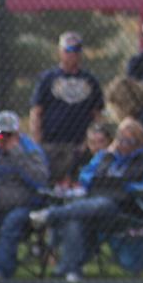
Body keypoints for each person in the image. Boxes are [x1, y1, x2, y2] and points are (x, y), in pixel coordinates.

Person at [28, 117, 143, 282]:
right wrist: (103, 174)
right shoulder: (106, 156)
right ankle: (72, 271)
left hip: (127, 209)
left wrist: (126, 186)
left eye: (130, 141)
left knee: (100, 205)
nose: (124, 144)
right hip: (95, 204)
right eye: (121, 139)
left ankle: (51, 215)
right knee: (75, 218)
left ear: (139, 142)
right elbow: (85, 176)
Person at [29, 32, 103, 183]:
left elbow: (97, 115)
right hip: (51, 143)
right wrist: (37, 142)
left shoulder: (90, 80)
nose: (72, 54)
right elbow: (36, 112)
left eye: (76, 50)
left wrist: (89, 142)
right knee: (50, 182)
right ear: (60, 51)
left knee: (76, 182)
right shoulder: (47, 79)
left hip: (79, 144)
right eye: (68, 50)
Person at [0, 111, 50, 281]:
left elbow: (40, 180)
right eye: (0, 134)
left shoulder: (30, 150)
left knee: (11, 223)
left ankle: (1, 274)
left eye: (8, 135)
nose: (3, 139)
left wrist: (17, 154)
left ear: (17, 133)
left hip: (24, 207)